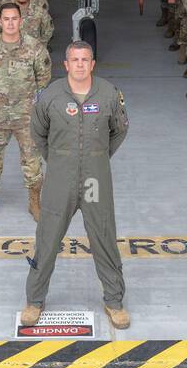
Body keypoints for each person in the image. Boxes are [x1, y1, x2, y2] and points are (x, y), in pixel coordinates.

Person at [21, 41, 130, 332]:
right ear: (65, 65)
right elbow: (37, 131)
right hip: (60, 177)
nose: (80, 64)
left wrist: (97, 157)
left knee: (103, 236)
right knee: (48, 237)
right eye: (74, 60)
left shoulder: (108, 93)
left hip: (95, 178)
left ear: (92, 64)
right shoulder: (50, 96)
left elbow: (119, 130)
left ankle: (114, 301)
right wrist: (58, 160)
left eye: (85, 59)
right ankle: (34, 300)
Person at [0, 3, 52, 222]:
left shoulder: (34, 48)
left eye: (14, 18)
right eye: (5, 19)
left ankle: (35, 201)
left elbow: (43, 78)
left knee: (32, 160)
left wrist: (32, 101)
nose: (10, 23)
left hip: (27, 116)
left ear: (21, 20)